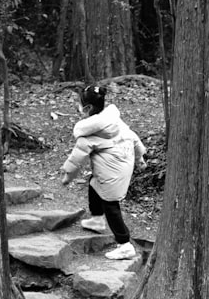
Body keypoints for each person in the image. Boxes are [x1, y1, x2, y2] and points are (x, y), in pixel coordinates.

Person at [60, 83, 145, 260]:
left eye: (79, 104)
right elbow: (133, 137)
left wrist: (68, 176)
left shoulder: (90, 132)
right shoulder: (114, 120)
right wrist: (139, 158)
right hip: (123, 163)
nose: (77, 108)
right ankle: (97, 220)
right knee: (94, 183)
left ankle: (124, 244)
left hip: (113, 170)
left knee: (111, 204)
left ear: (88, 107)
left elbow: (77, 158)